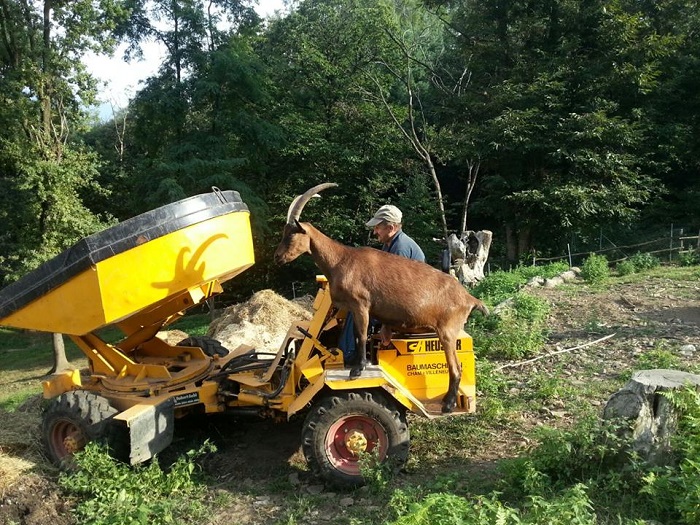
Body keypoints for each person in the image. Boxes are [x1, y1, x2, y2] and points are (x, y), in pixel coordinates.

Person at [340, 204, 426, 365]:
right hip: (402, 301)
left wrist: (387, 324)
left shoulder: (401, 249)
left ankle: (348, 356)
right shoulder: (390, 244)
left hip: (409, 307)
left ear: (391, 227)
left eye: (378, 227)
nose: (375, 232)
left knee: (357, 310)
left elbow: (395, 293)